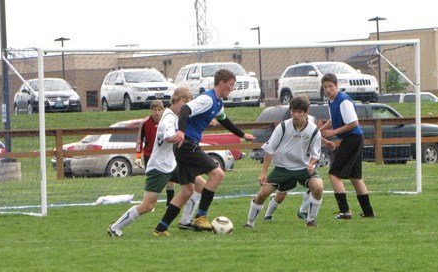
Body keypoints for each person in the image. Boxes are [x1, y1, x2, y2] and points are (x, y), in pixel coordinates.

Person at [152, 69, 255, 236]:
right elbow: (185, 109)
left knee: (187, 191)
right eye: (231, 85)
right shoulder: (208, 99)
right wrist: (182, 131)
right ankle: (201, 217)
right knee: (218, 174)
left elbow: (225, 121)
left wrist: (242, 135)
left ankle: (161, 228)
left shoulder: (218, 103)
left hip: (183, 146)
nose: (232, 88)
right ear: (221, 83)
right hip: (187, 145)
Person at [107, 88, 206, 237]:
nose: (187, 106)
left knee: (198, 184)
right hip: (159, 167)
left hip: (172, 165)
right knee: (147, 206)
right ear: (176, 100)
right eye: (185, 102)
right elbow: (168, 137)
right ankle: (115, 227)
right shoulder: (168, 119)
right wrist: (179, 137)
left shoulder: (176, 115)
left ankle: (185, 221)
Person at [245, 96, 323, 228]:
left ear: (306, 112)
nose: (295, 115)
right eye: (293, 111)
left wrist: (311, 164)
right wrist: (263, 172)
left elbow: (316, 154)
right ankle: (249, 224)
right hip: (282, 168)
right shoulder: (283, 127)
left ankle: (310, 220)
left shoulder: (314, 130)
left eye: (299, 112)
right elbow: (269, 149)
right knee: (262, 194)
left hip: (302, 168)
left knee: (318, 186)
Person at [319, 73, 375, 219]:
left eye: (330, 86)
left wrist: (333, 132)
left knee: (333, 173)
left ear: (337, 86)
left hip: (353, 138)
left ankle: (345, 211)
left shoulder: (343, 100)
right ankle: (368, 212)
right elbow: (333, 119)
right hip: (352, 139)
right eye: (325, 87)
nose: (328, 89)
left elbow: (353, 123)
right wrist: (321, 130)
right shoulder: (331, 102)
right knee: (355, 176)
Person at [136, 100, 175, 204]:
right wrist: (138, 156)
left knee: (170, 177)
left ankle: (169, 202)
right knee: (152, 178)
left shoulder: (167, 121)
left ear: (162, 110)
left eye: (159, 110)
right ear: (151, 110)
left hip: (165, 154)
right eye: (155, 110)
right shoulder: (145, 122)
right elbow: (139, 139)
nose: (157, 112)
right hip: (150, 154)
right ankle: (148, 202)